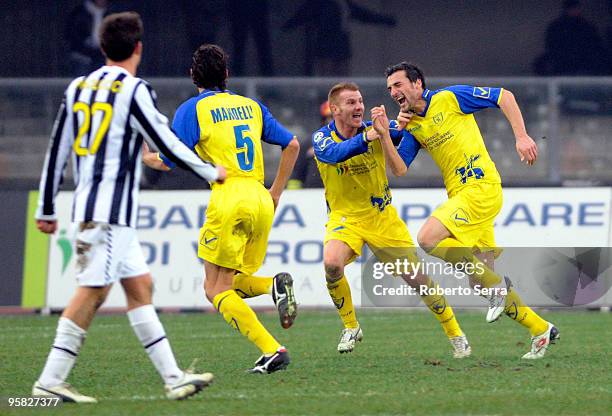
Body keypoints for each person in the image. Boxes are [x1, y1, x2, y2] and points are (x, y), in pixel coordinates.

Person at [32, 12, 225, 403]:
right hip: (108, 214)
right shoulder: (134, 90)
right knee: (92, 292)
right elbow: (165, 142)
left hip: (96, 209)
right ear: (138, 48)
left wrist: (48, 207)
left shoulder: (77, 89)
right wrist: (208, 169)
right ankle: (49, 381)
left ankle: (173, 378)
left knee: (141, 288)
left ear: (103, 48)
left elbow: (57, 151)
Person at [384, 62, 559, 359]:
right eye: (389, 89)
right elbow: (398, 169)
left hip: (480, 187)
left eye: (398, 85)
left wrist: (521, 136)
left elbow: (504, 96)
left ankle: (498, 287)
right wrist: (390, 134)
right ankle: (541, 329)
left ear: (417, 83)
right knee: (479, 280)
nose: (393, 92)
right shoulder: (412, 126)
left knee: (428, 238)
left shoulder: (450, 98)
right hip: (463, 196)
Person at [143, 44, 300, 374]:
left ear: (192, 76)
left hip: (228, 197)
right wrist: (275, 192)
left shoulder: (193, 109)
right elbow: (293, 144)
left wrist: (148, 158)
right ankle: (272, 286)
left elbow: (173, 158)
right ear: (227, 75)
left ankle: (273, 349)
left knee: (214, 289)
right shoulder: (251, 106)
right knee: (233, 282)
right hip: (259, 196)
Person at [312, 82, 471, 357]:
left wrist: (397, 126)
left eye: (360, 101)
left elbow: (404, 137)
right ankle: (351, 326)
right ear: (335, 109)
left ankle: (456, 335)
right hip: (345, 218)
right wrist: (370, 136)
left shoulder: (377, 130)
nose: (359, 106)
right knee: (331, 264)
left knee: (419, 280)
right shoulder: (322, 138)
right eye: (351, 102)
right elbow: (334, 154)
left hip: (382, 218)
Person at [533, 0, 609, 75]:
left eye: (577, 8)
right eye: (572, 9)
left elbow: (595, 44)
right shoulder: (556, 26)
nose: (575, 11)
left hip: (584, 64)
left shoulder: (586, 26)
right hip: (563, 64)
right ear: (566, 9)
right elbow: (551, 45)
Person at [287, 100, 329, 189]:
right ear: (324, 119)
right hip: (312, 197)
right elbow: (297, 174)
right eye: (330, 117)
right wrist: (293, 196)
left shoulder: (355, 141)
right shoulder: (310, 143)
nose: (334, 120)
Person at [65, 0, 109, 76]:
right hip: (82, 53)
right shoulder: (80, 13)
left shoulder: (109, 14)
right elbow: (72, 35)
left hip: (101, 55)